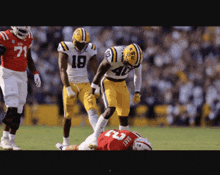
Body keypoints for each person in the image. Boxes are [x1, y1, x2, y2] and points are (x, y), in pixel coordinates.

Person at [86, 43, 143, 147]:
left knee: (124, 115)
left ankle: (124, 142)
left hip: (122, 84)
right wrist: (92, 90)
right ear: (125, 55)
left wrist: (137, 92)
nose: (129, 66)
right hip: (108, 82)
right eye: (128, 62)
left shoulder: (135, 60)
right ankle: (95, 137)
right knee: (110, 109)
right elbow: (99, 72)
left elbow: (138, 75)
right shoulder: (114, 55)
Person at [57, 27, 100, 148]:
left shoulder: (90, 48)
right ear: (73, 40)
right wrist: (68, 88)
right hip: (70, 83)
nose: (81, 47)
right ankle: (66, 142)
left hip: (84, 84)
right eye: (79, 43)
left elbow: (96, 69)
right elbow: (62, 69)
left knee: (92, 109)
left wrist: (97, 86)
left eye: (83, 44)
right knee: (68, 115)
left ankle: (98, 137)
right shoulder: (66, 47)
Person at [0, 26, 41, 150]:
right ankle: (4, 138)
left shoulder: (28, 37)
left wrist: (34, 72)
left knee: (19, 108)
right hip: (8, 73)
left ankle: (12, 140)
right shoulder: (4, 36)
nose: (23, 34)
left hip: (22, 74)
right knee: (12, 105)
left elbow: (28, 56)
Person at [55, 129, 152, 151]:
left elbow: (134, 133)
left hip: (103, 134)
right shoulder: (118, 147)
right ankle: (63, 148)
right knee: (79, 148)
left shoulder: (134, 135)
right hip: (95, 142)